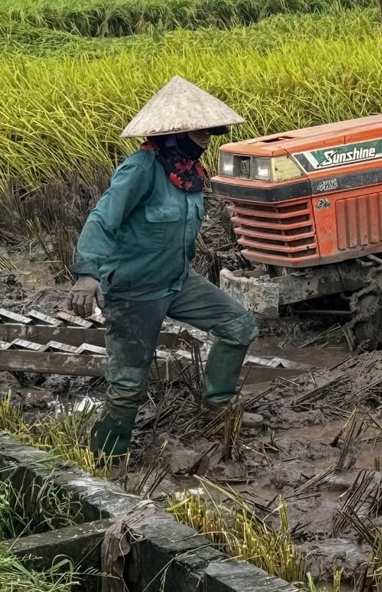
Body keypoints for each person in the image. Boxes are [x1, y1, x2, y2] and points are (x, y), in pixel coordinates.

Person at [68, 75, 257, 457]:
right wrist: (87, 273)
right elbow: (102, 219)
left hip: (178, 282)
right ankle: (106, 457)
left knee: (240, 325)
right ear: (171, 134)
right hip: (134, 292)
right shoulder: (140, 170)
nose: (206, 137)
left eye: (208, 130)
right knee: (128, 388)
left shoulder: (188, 175)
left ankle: (217, 406)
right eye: (197, 131)